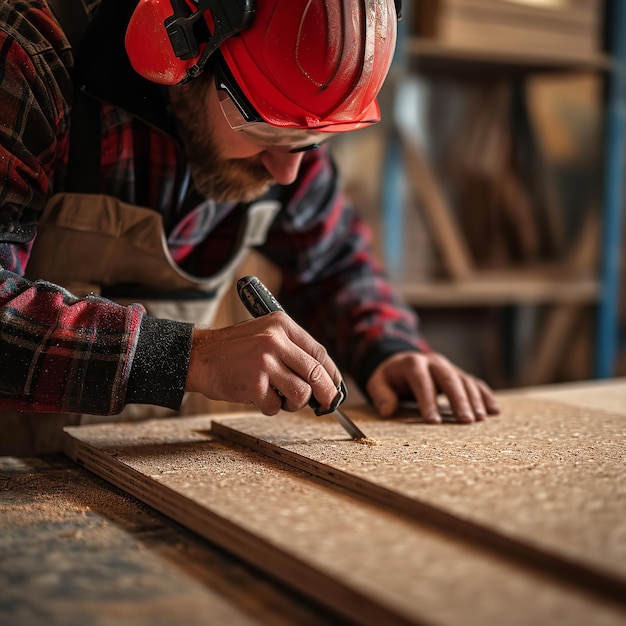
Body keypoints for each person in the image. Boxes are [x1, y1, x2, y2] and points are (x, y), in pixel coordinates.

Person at [0, 0, 499, 455]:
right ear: (178, 46)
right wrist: (186, 358)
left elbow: (334, 267)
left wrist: (389, 350)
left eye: (310, 141)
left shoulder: (285, 123)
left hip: (152, 476)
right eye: (263, 129)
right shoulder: (33, 57)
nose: (287, 173)